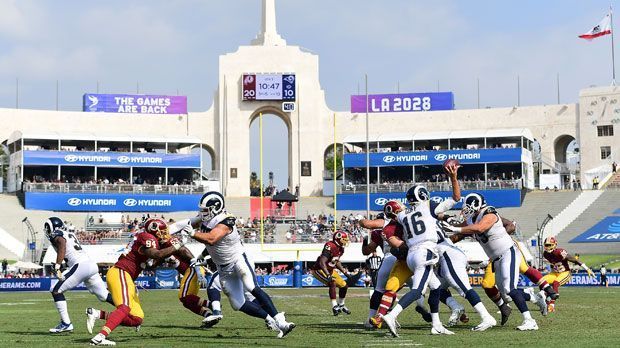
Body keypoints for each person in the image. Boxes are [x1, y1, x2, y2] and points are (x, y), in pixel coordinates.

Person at [171, 191, 295, 338]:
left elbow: (212, 239)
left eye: (205, 210)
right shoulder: (205, 219)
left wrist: (192, 233)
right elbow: (181, 225)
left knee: (251, 287)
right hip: (223, 269)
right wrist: (161, 230)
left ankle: (281, 322)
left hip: (238, 259)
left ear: (216, 208)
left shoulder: (226, 220)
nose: (202, 213)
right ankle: (269, 318)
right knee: (238, 304)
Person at [443, 193, 547, 331]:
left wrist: (457, 228)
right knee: (506, 296)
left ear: (477, 205)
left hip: (508, 253)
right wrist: (444, 235)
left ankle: (530, 320)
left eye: (469, 208)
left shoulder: (489, 213)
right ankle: (535, 298)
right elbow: (460, 232)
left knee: (510, 289)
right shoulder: (471, 220)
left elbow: (480, 228)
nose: (466, 211)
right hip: (496, 259)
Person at [88, 218, 184, 346]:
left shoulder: (148, 239)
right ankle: (100, 336)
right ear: (154, 230)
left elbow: (150, 263)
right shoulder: (147, 237)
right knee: (124, 307)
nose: (164, 234)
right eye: (162, 231)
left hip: (126, 275)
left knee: (137, 318)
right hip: (121, 272)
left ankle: (97, 314)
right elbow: (157, 254)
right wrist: (177, 246)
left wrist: (165, 259)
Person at [377, 185, 453, 337]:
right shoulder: (427, 207)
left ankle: (436, 324)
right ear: (424, 195)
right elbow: (455, 198)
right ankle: (391, 316)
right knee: (417, 290)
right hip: (424, 252)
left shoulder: (403, 215)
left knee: (436, 287)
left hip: (411, 255)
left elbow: (392, 215)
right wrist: (454, 177)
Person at [44, 217, 114, 334]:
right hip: (90, 265)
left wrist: (57, 265)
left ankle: (66, 323)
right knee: (104, 296)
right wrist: (62, 265)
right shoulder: (69, 233)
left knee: (56, 290)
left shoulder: (57, 234)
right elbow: (70, 253)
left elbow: (61, 243)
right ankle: (129, 309)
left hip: (80, 266)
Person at [542, 237, 595, 312]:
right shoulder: (545, 254)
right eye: (546, 245)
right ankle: (546, 299)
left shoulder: (560, 252)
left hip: (565, 273)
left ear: (555, 245)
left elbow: (574, 260)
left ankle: (551, 305)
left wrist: (587, 268)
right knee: (542, 281)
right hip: (554, 273)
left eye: (549, 245)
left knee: (555, 283)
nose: (547, 247)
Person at [310, 230, 354, 316]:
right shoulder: (330, 245)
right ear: (338, 238)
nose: (345, 242)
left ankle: (341, 305)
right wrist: (328, 274)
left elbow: (336, 261)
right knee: (332, 283)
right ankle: (335, 306)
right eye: (343, 239)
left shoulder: (341, 248)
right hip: (319, 269)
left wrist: (344, 272)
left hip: (330, 269)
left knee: (344, 286)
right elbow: (322, 262)